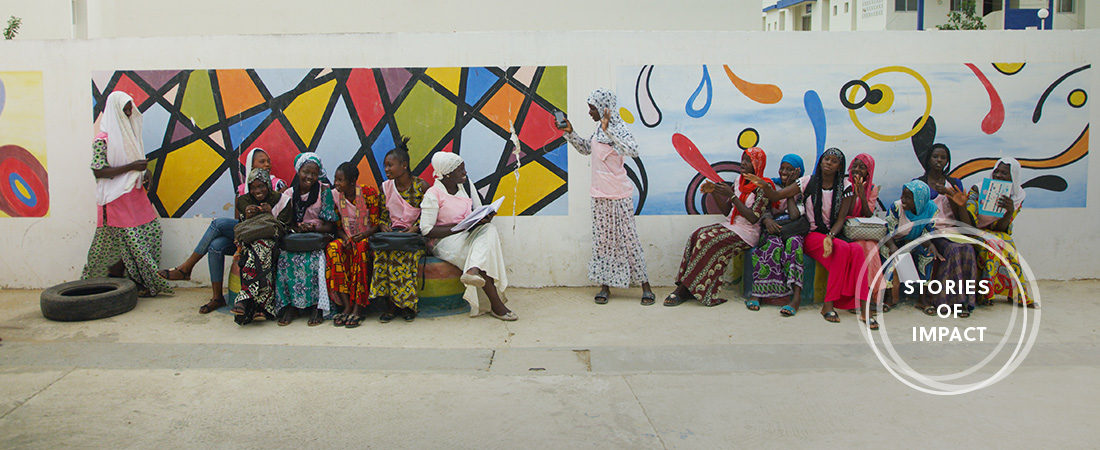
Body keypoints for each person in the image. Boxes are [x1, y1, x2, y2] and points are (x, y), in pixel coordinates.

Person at [748, 148, 876, 329]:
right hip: (812, 235)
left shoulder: (846, 187)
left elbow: (840, 219)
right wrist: (764, 186)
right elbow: (777, 195)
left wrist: (831, 237)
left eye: (833, 161)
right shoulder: (808, 182)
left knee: (856, 250)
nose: (828, 163)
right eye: (825, 159)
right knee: (845, 250)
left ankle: (864, 306)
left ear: (840, 166)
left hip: (833, 234)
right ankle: (828, 305)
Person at [159, 147, 286, 314]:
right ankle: (216, 297)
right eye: (262, 161)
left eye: (268, 161)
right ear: (251, 165)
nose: (267, 164)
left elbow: (280, 216)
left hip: (266, 237)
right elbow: (238, 221)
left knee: (218, 224)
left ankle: (186, 267)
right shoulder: (241, 190)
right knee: (216, 246)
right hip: (245, 235)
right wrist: (245, 222)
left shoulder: (278, 185)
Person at [560, 88, 655, 305]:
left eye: (593, 108)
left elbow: (633, 150)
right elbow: (586, 149)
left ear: (605, 108)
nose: (590, 113)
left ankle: (646, 287)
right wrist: (570, 132)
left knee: (629, 241)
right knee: (603, 242)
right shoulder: (597, 131)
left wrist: (609, 130)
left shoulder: (619, 128)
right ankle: (605, 287)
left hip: (619, 195)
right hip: (599, 194)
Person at [81, 91, 172, 298]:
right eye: (126, 109)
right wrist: (132, 167)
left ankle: (139, 282)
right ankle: (112, 285)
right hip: (115, 200)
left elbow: (137, 163)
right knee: (126, 244)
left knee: (151, 234)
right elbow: (98, 170)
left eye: (131, 108)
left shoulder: (130, 137)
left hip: (135, 196)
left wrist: (143, 171)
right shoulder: (102, 141)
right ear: (115, 112)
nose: (130, 112)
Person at [663, 148, 768, 308]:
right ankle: (689, 287)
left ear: (757, 165)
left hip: (747, 233)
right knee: (696, 235)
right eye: (743, 159)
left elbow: (753, 217)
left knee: (708, 241)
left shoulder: (761, 187)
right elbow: (728, 211)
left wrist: (732, 196)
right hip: (731, 226)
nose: (743, 163)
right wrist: (714, 193)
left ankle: (683, 290)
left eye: (748, 161)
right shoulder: (739, 181)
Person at [420, 152, 516, 321]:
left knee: (489, 229)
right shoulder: (433, 194)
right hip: (444, 242)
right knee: (481, 256)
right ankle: (497, 305)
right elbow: (426, 230)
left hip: (467, 235)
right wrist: (459, 227)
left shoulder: (466, 186)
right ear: (447, 173)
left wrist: (485, 217)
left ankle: (473, 271)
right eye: (460, 170)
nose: (465, 173)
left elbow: (478, 210)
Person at [275, 153, 339, 326]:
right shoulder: (289, 194)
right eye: (306, 172)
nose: (310, 177)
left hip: (318, 238)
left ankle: (317, 307)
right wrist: (297, 228)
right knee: (285, 259)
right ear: (298, 171)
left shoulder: (324, 191)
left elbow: (330, 225)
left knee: (315, 260)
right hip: (297, 238)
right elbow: (285, 224)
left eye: (314, 173)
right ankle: (291, 306)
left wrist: (313, 227)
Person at [917, 143, 980, 314]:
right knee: (952, 250)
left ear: (947, 161)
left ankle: (965, 301)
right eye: (935, 157)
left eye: (943, 157)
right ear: (928, 159)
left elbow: (962, 217)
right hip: (932, 231)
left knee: (967, 248)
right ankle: (948, 300)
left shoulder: (955, 184)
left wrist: (953, 197)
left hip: (953, 230)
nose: (939, 160)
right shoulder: (920, 184)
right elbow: (916, 215)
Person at [965, 157, 1034, 308]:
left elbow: (1003, 229)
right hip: (975, 230)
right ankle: (985, 295)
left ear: (1013, 177)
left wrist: (1008, 212)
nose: (998, 176)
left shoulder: (1017, 196)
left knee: (1007, 243)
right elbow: (969, 219)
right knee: (991, 245)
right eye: (997, 171)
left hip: (995, 231)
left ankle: (1016, 294)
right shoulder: (977, 189)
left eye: (1004, 173)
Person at [372, 143, 429, 323]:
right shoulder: (385, 188)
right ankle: (390, 305)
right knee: (382, 255)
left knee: (401, 257)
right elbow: (382, 216)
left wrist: (414, 228)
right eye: (385, 166)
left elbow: (429, 216)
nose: (387, 169)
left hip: (413, 238)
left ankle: (406, 305)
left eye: (390, 165)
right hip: (392, 236)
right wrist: (383, 226)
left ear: (404, 165)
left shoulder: (422, 187)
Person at [231, 168, 290, 325]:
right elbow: (243, 228)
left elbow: (285, 228)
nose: (257, 191)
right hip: (251, 242)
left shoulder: (282, 200)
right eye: (253, 187)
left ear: (268, 186)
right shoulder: (244, 201)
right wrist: (247, 216)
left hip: (275, 242)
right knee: (257, 249)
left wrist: (271, 214)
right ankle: (262, 307)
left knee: (260, 248)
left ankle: (244, 299)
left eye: (261, 186)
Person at [326, 162, 381, 328]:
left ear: (352, 181)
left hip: (366, 237)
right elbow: (337, 226)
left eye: (340, 180)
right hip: (348, 237)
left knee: (361, 248)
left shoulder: (368, 193)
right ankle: (345, 305)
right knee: (333, 248)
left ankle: (359, 306)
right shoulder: (335, 195)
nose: (336, 183)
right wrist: (345, 238)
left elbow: (376, 224)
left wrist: (362, 235)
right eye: (335, 179)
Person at [750, 153, 806, 316]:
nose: (784, 172)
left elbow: (795, 215)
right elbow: (763, 208)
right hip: (773, 228)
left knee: (794, 245)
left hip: (792, 229)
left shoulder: (801, 190)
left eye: (790, 170)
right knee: (772, 245)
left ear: (798, 172)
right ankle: (758, 293)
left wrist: (789, 188)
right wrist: (767, 221)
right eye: (783, 168)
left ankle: (795, 298)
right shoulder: (770, 185)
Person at [881, 181, 945, 316]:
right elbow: (888, 231)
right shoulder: (896, 207)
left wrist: (931, 245)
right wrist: (893, 247)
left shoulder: (931, 210)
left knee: (928, 254)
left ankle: (923, 299)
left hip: (916, 241)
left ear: (919, 200)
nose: (903, 200)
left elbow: (926, 233)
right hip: (895, 241)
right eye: (903, 196)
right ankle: (889, 298)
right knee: (886, 253)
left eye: (908, 198)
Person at [846, 153, 887, 308]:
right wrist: (853, 194)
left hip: (861, 229)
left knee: (871, 246)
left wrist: (862, 196)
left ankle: (872, 292)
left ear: (868, 171)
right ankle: (865, 294)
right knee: (863, 246)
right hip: (847, 228)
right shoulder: (845, 184)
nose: (857, 170)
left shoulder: (872, 188)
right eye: (855, 166)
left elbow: (868, 213)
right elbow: (845, 212)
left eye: (862, 167)